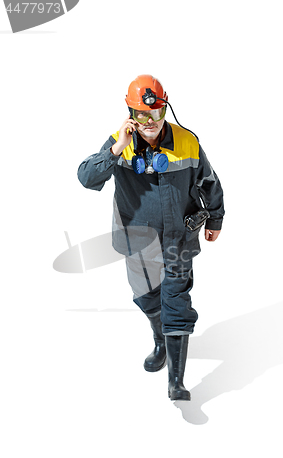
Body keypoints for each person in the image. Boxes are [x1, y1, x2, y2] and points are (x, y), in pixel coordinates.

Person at [77, 75, 225, 401]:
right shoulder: (120, 144)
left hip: (178, 240)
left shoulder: (187, 141)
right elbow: (87, 177)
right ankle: (161, 339)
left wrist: (216, 216)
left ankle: (176, 382)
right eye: (141, 115)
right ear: (131, 112)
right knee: (146, 298)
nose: (150, 122)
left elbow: (209, 181)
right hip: (137, 241)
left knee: (177, 303)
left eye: (156, 114)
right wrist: (116, 148)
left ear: (164, 108)